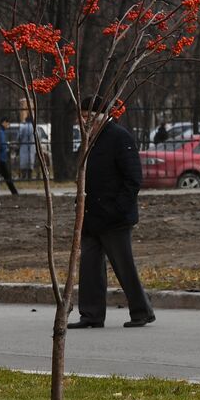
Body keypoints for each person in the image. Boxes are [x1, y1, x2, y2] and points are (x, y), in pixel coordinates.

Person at [70, 96, 155, 330]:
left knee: (124, 266)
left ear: (101, 117)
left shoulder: (119, 137)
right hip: (90, 216)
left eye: (88, 117)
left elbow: (133, 178)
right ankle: (91, 315)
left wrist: (119, 208)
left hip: (115, 217)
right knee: (89, 268)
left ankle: (142, 312)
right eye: (81, 117)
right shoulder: (88, 141)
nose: (83, 122)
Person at [0, 117, 20, 195]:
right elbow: (1, 145)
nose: (8, 125)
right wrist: (6, 147)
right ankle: (14, 192)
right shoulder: (0, 132)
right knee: (6, 176)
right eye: (8, 123)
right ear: (4, 122)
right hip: (1, 157)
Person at [16, 113, 37, 180]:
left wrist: (18, 143)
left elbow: (19, 137)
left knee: (23, 161)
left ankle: (23, 176)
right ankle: (29, 176)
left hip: (24, 146)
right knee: (31, 161)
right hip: (32, 146)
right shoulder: (35, 127)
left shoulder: (23, 127)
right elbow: (38, 137)